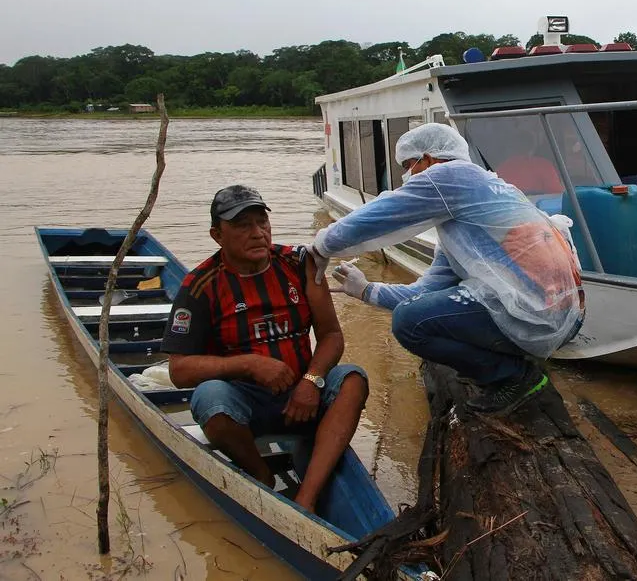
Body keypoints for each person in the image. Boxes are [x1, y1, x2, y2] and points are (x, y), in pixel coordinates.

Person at [309, 123, 584, 416]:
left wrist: (321, 246)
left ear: (427, 158)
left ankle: (515, 377)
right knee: (418, 314)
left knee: (409, 322)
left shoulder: (449, 175)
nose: (407, 176)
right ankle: (507, 369)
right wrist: (366, 290)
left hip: (538, 314)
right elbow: (425, 291)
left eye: (407, 165)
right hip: (563, 318)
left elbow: (379, 215)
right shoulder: (469, 216)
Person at [162, 185, 369, 513]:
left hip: (304, 400)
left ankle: (307, 496)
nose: (258, 233)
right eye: (243, 226)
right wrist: (248, 364)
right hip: (244, 406)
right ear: (218, 235)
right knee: (209, 398)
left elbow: (331, 335)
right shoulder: (199, 286)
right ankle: (261, 474)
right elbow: (179, 370)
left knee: (353, 380)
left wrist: (311, 381)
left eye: (263, 223)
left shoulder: (300, 264)